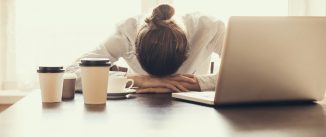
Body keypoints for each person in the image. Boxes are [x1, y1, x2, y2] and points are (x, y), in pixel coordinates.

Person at [66, 4, 224, 93]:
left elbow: (246, 73)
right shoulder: (125, 33)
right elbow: (68, 75)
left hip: (194, 114)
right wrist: (136, 80)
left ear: (187, 48)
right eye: (157, 77)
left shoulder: (209, 27)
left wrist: (200, 83)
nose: (164, 81)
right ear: (134, 48)